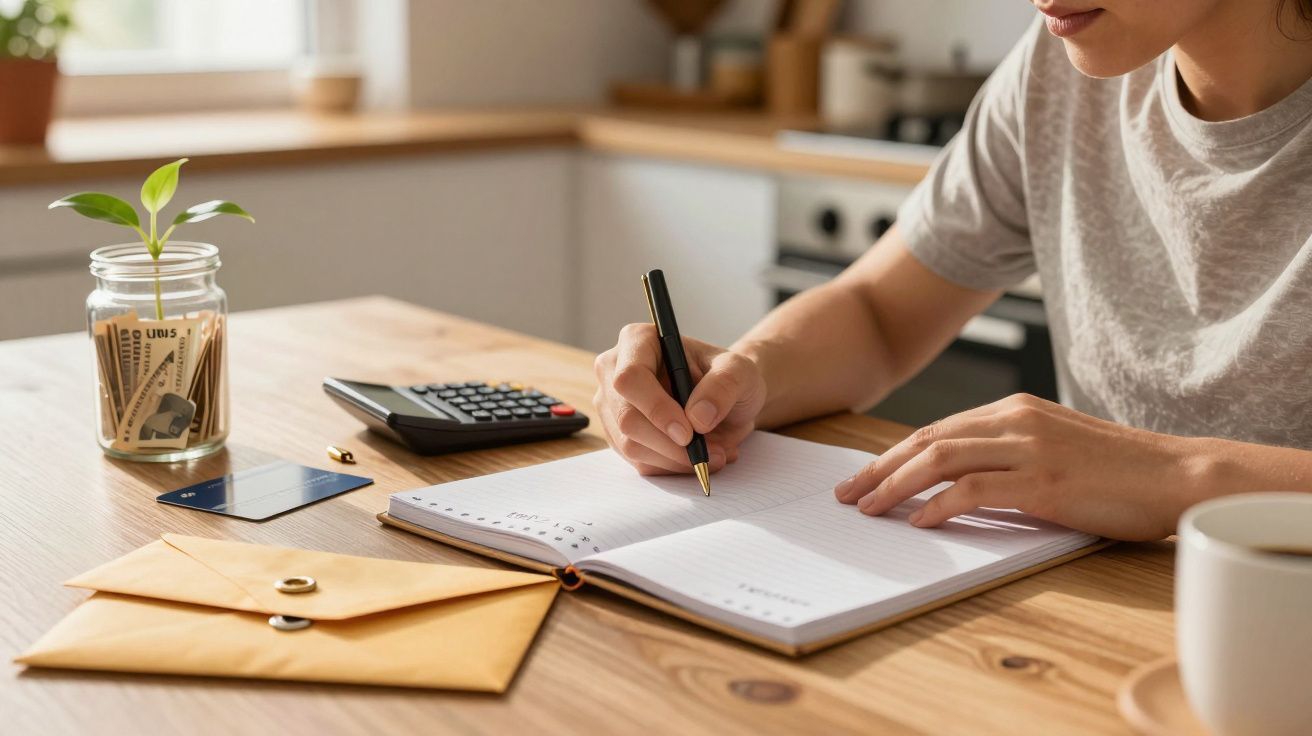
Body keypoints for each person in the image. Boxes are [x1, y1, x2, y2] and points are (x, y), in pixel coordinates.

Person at [592, 0, 1312, 542]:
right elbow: (878, 312)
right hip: (1109, 603)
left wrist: (1172, 475)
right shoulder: (1057, 69)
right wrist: (741, 376)